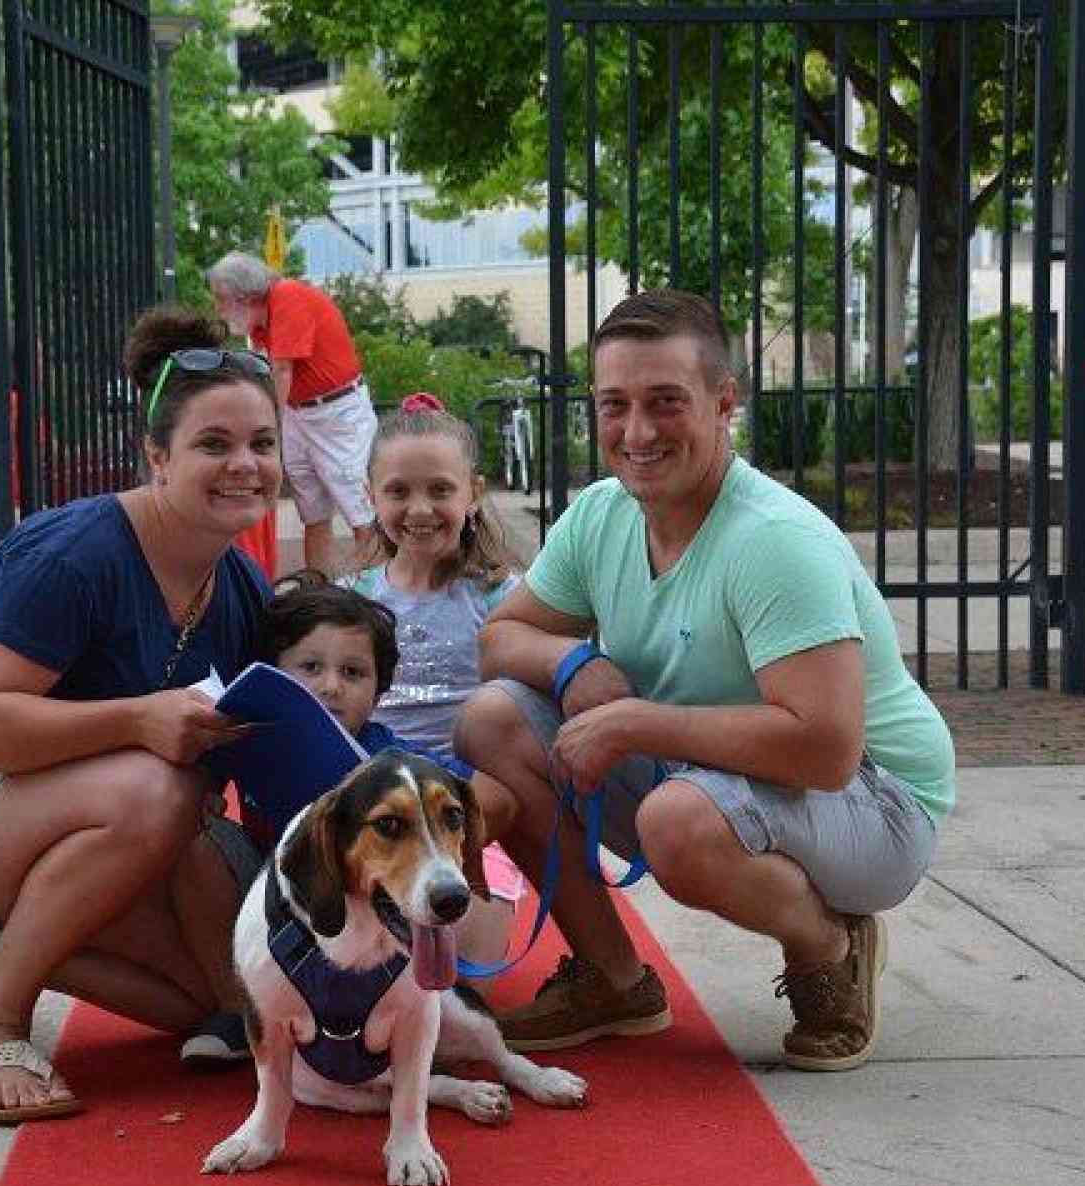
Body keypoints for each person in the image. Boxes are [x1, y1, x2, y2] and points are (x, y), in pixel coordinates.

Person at [456, 289, 955, 1073]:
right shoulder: (600, 515)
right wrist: (570, 661)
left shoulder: (772, 540)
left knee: (677, 821)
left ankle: (832, 944)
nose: (637, 432)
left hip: (876, 801)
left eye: (666, 402)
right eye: (614, 405)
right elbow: (499, 638)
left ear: (725, 403)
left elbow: (826, 748)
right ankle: (613, 980)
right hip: (717, 772)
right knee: (492, 720)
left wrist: (633, 724)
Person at [0, 305, 280, 1120]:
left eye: (262, 443)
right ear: (157, 457)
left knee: (196, 1000)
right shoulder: (81, 552)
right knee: (158, 793)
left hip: (32, 796)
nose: (243, 465)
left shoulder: (241, 585)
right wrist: (141, 719)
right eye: (212, 445)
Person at [252, 573, 522, 971]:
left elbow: (498, 798)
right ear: (272, 674)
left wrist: (437, 847)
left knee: (467, 970)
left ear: (380, 689)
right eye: (310, 667)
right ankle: (234, 1007)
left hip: (406, 882)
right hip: (295, 884)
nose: (331, 687)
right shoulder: (255, 747)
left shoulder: (387, 758)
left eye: (353, 673)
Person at [344, 391, 531, 954]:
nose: (420, 509)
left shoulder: (503, 595)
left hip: (467, 808)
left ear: (473, 493)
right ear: (369, 497)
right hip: (377, 800)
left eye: (440, 490)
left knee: (472, 967)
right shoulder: (353, 599)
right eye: (398, 491)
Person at [206, 251, 378, 576]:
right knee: (311, 510)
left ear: (244, 296)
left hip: (336, 413)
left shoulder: (287, 296)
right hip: (301, 413)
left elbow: (281, 370)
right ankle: (319, 591)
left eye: (221, 299)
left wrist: (264, 424)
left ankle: (378, 594)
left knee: (358, 506)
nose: (218, 308)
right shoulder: (259, 319)